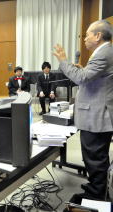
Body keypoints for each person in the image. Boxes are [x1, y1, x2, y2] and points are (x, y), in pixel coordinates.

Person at [53, 20, 113, 202]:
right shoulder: (105, 51)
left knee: (95, 159)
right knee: (95, 157)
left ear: (98, 36)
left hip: (96, 117)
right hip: (97, 114)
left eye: (87, 35)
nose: (84, 38)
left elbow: (81, 79)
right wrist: (83, 70)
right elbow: (92, 76)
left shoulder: (103, 53)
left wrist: (63, 61)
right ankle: (95, 187)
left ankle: (95, 196)